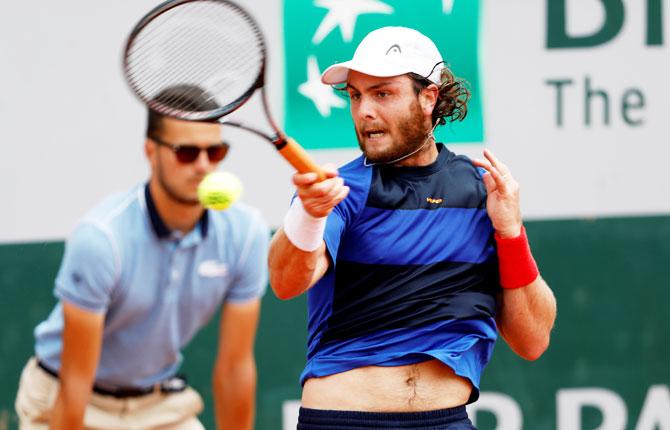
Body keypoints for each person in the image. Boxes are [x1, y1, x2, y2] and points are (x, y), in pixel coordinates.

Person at [268, 27, 557, 429]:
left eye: (382, 94)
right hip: (344, 421)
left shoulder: (480, 191)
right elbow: (286, 281)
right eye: (355, 95)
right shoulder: (343, 191)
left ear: (428, 97)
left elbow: (532, 340)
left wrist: (510, 232)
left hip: (446, 420)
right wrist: (309, 214)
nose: (364, 111)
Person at [15, 85, 269, 430]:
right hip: (70, 398)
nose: (203, 165)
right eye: (186, 152)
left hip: (159, 405)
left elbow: (235, 368)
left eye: (215, 151)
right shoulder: (102, 239)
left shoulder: (244, 232)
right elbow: (74, 382)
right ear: (151, 151)